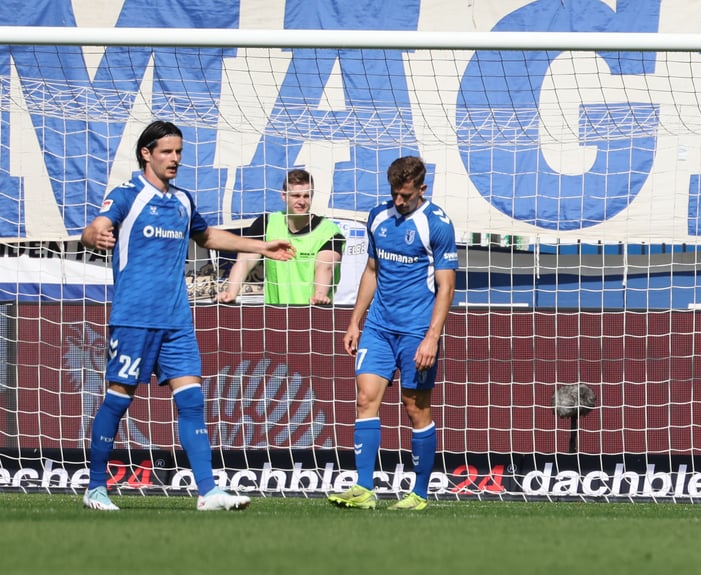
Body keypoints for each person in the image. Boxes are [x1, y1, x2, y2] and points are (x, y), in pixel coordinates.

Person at [80, 120, 296, 511]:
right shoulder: (128, 194)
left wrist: (262, 247)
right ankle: (96, 487)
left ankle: (209, 492)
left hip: (177, 318)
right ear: (146, 153)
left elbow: (208, 236)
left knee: (192, 399)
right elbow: (97, 226)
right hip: (134, 317)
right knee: (119, 398)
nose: (175, 159)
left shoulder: (182, 200)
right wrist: (95, 234)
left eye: (179, 152)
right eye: (167, 151)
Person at [327, 156, 458, 511]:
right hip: (379, 328)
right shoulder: (378, 218)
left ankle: (418, 493)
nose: (398, 201)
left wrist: (432, 337)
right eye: (394, 194)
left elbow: (446, 287)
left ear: (421, 189)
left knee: (415, 407)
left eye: (406, 195)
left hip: (417, 330)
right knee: (365, 398)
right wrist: (356, 321)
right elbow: (371, 270)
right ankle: (364, 488)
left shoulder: (437, 225)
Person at [217, 169, 346, 305]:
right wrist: (231, 293)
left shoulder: (329, 231)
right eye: (296, 196)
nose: (301, 201)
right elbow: (244, 261)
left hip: (314, 313)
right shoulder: (267, 223)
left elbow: (325, 267)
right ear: (284, 196)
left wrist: (320, 294)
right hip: (275, 315)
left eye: (306, 196)